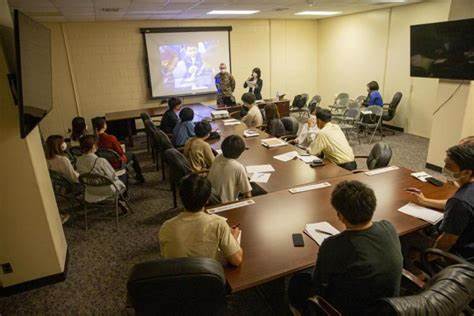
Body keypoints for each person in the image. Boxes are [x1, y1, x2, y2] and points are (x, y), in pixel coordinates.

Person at [288, 181, 403, 315]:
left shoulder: (333, 245)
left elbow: (319, 283)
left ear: (340, 216)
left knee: (298, 280)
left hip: (349, 309)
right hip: (389, 307)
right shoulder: (388, 226)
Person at [406, 143, 474, 260]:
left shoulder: (459, 202)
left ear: (466, 172)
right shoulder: (466, 194)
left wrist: (430, 257)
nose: (445, 169)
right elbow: (455, 205)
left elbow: (447, 241)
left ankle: (417, 272)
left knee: (408, 237)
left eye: (449, 166)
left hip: (463, 254)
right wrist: (425, 201)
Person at [159, 174, 243, 266]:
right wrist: (233, 238)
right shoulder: (218, 224)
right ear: (207, 200)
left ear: (181, 198)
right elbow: (237, 260)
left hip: (178, 278)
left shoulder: (166, 227)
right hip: (209, 277)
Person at [76, 135, 127, 204]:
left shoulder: (78, 161)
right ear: (93, 146)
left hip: (90, 190)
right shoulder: (100, 161)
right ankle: (122, 201)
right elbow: (112, 177)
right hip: (107, 189)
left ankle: (120, 201)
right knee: (123, 174)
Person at [94, 117, 145, 183]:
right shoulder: (111, 138)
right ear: (104, 126)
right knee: (132, 155)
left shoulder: (94, 140)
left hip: (105, 163)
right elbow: (120, 152)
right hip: (116, 162)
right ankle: (140, 177)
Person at [207, 135, 252, 203]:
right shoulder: (238, 167)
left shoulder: (218, 157)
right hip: (226, 203)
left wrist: (240, 148)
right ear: (239, 153)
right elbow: (247, 195)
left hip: (212, 198)